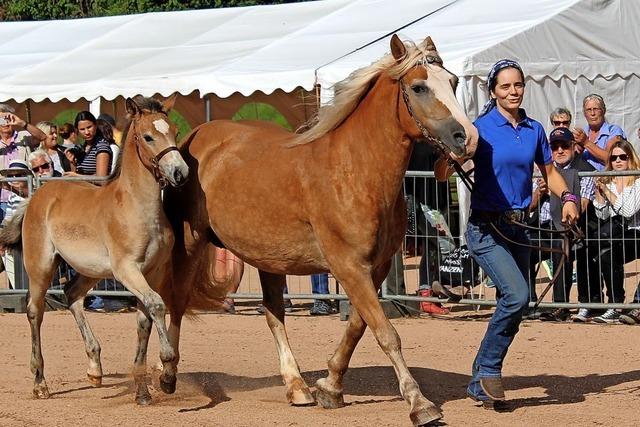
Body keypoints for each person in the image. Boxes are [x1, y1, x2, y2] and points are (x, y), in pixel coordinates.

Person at [465, 60, 578, 408]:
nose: (513, 92)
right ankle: (489, 371)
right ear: (493, 91)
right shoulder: (479, 128)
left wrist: (569, 197)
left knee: (518, 301)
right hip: (486, 227)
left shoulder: (533, 129)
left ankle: (480, 376)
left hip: (518, 227)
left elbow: (549, 171)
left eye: (518, 85)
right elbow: (448, 168)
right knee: (516, 296)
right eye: (505, 87)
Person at [533, 127, 600, 322]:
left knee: (560, 245)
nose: (559, 150)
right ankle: (528, 304)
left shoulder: (585, 170)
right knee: (524, 250)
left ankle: (562, 304)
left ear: (573, 146)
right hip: (543, 227)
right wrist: (540, 193)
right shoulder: (541, 171)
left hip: (573, 227)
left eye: (564, 146)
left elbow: (583, 205)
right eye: (554, 147)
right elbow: (530, 207)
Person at [593, 139, 640, 323]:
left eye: (623, 157)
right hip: (620, 234)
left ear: (630, 159)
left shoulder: (637, 181)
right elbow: (603, 215)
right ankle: (615, 304)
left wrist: (607, 192)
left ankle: (637, 305)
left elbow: (628, 211)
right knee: (607, 256)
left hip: (637, 231)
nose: (618, 161)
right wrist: (599, 196)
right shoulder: (609, 182)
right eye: (614, 158)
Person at [0, 103, 46, 222]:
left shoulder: (23, 136)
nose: (5, 123)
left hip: (24, 198)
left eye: (7, 118)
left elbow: (42, 136)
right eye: (1, 119)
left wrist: (22, 123)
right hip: (2, 199)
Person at [0, 159, 32, 289]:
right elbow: (7, 220)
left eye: (18, 175)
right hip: (15, 239)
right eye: (10, 176)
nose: (14, 179)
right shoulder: (12, 196)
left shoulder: (34, 190)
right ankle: (19, 291)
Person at [572, 94, 625, 170]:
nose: (592, 113)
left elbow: (611, 159)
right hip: (584, 180)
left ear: (604, 111)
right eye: (589, 110)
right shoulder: (582, 133)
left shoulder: (614, 131)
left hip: (607, 179)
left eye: (596, 109)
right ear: (584, 113)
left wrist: (586, 143)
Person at [64, 111, 112, 179]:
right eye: (82, 129)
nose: (87, 132)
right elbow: (74, 174)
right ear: (77, 130)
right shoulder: (81, 147)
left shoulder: (101, 146)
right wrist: (72, 162)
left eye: (89, 127)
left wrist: (77, 176)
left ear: (95, 126)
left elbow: (101, 179)